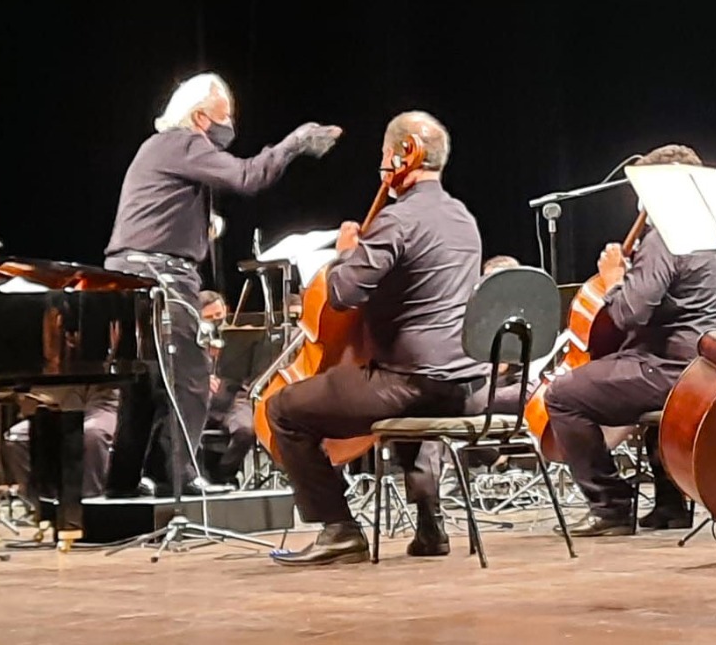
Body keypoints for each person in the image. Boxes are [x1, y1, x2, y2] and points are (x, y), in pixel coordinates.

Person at [266, 110, 487, 567]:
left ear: (400, 155)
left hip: (409, 384)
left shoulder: (398, 220)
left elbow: (345, 294)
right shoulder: (464, 218)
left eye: (384, 155)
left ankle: (339, 527)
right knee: (412, 395)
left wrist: (348, 253)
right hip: (464, 387)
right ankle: (430, 526)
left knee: (282, 409)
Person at [103, 72, 341, 496]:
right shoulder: (183, 142)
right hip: (161, 274)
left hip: (129, 272)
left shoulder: (157, 149)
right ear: (199, 117)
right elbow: (248, 177)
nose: (229, 124)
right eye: (223, 115)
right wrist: (295, 143)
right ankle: (180, 479)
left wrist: (198, 224)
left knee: (143, 384)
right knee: (189, 377)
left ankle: (123, 488)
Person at [544, 144, 716, 536]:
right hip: (710, 365)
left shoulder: (666, 238)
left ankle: (610, 506)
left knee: (563, 394)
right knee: (630, 375)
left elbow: (627, 314)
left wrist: (615, 278)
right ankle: (671, 505)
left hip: (671, 368)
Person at [2, 389, 119, 508]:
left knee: (90, 435)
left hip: (101, 404)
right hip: (59, 405)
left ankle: (89, 503)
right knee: (16, 437)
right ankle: (39, 506)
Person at [198, 291, 258, 487]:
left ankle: (223, 473)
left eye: (219, 316)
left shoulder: (239, 337)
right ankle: (199, 473)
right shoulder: (191, 339)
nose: (216, 323)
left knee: (246, 430)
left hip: (235, 399)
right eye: (209, 319)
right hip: (202, 396)